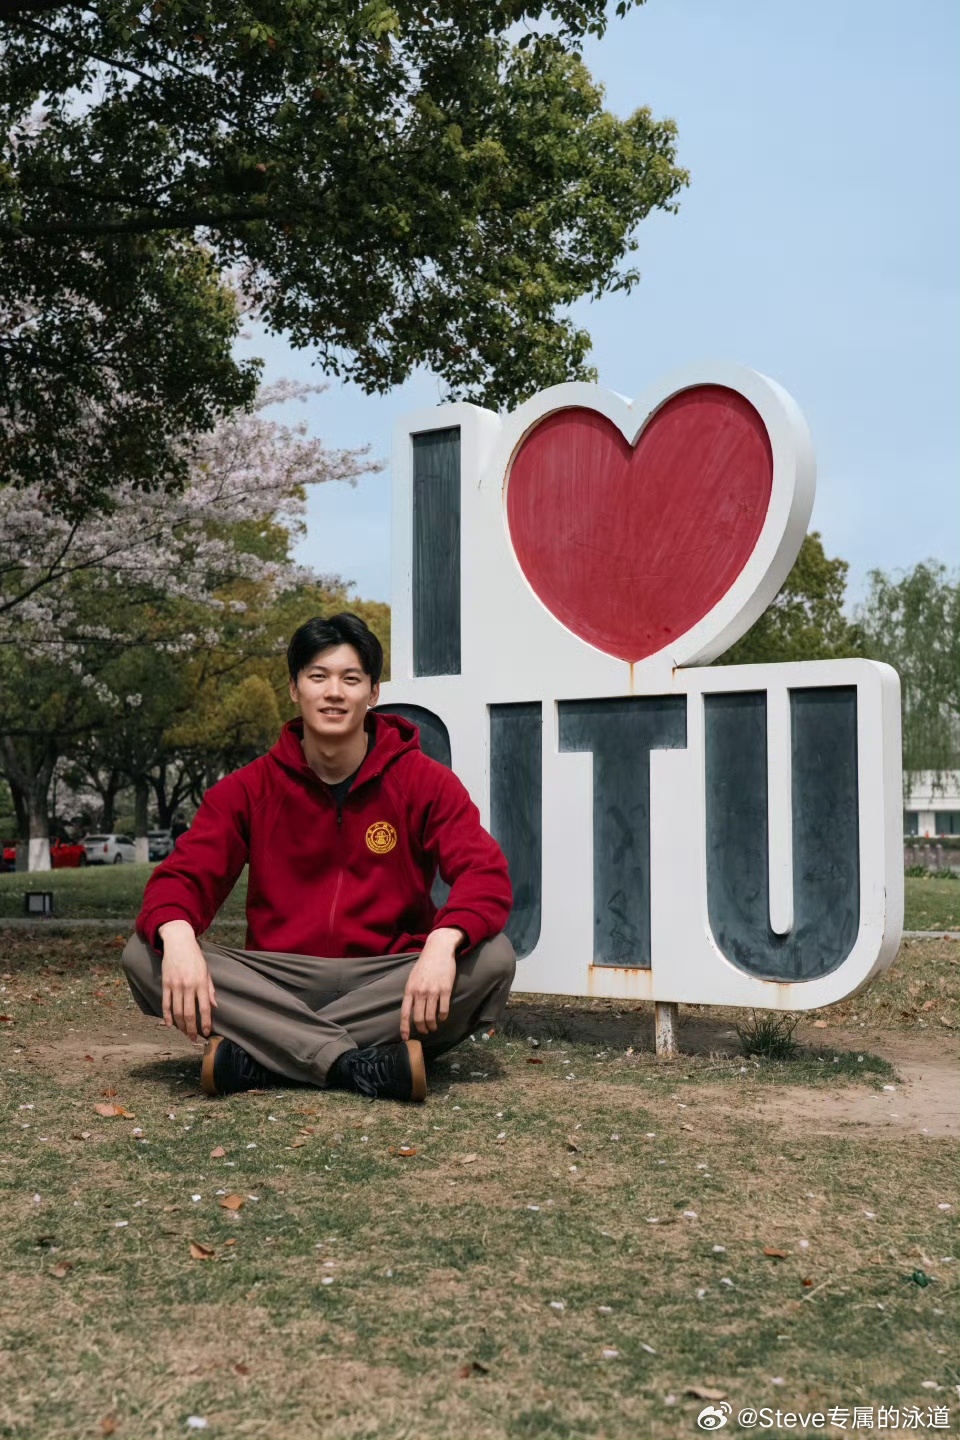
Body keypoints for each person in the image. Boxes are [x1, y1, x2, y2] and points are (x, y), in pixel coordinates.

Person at [122, 613, 515, 1103]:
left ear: (373, 693)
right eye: (318, 676)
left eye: (351, 679)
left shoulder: (424, 781)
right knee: (145, 952)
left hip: (387, 975)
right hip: (278, 979)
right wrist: (178, 932)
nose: (334, 692)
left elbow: (486, 874)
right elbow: (181, 878)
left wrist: (442, 942)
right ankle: (355, 1065)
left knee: (493, 957)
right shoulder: (247, 790)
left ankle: (267, 1053)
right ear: (294, 689)